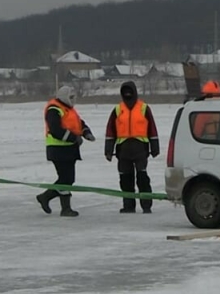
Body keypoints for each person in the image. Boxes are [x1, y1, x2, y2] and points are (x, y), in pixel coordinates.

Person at [35, 85, 94, 217]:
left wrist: (86, 132)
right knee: (66, 179)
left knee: (68, 179)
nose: (73, 100)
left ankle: (47, 198)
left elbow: (79, 123)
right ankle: (62, 206)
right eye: (71, 97)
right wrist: (74, 138)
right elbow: (55, 130)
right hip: (58, 149)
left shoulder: (69, 109)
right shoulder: (54, 109)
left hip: (69, 149)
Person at [104, 81, 160, 213]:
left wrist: (155, 147)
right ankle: (128, 205)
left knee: (142, 178)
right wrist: (108, 150)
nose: (127, 94)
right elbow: (110, 131)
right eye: (125, 92)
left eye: (129, 91)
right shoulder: (117, 110)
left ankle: (146, 205)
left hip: (140, 149)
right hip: (123, 150)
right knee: (125, 179)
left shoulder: (144, 108)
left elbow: (152, 129)